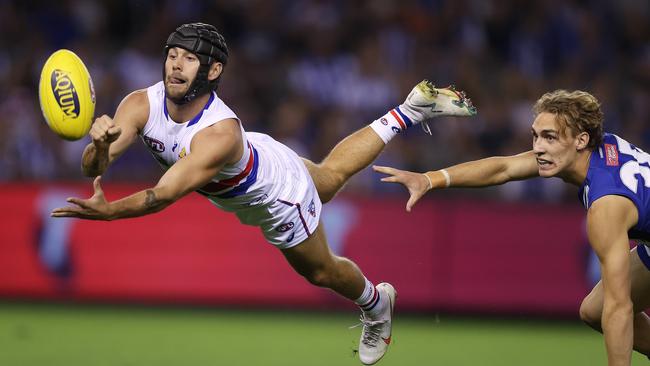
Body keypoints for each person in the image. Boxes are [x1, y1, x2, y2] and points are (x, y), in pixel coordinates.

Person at [51, 22, 477, 365]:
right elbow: (94, 168)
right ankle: (409, 111)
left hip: (274, 195)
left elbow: (162, 195)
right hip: (262, 152)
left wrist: (110, 213)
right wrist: (101, 145)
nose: (175, 66)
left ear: (212, 72)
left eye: (190, 59)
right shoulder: (139, 103)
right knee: (327, 179)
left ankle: (376, 302)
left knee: (321, 272)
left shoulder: (218, 133)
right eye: (172, 55)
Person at [374, 89, 650, 366]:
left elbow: (620, 308)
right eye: (536, 135)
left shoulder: (606, 206)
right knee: (594, 310)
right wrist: (430, 179)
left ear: (581, 140)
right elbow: (503, 168)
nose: (539, 147)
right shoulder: (598, 150)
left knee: (612, 306)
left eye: (550, 137)